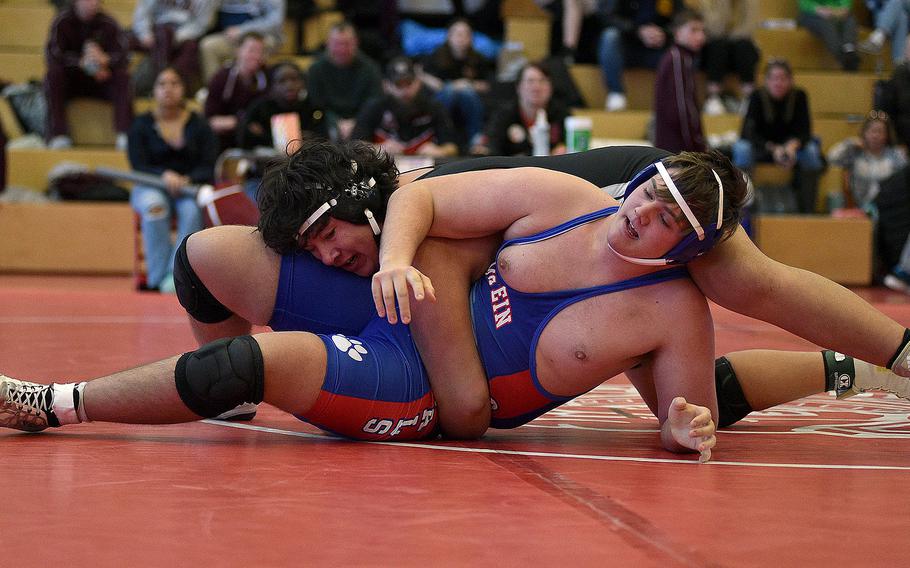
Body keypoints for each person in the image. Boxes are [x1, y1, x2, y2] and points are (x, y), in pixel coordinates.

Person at [2, 143, 750, 463]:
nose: (640, 216)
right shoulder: (567, 200)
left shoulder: (675, 312)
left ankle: (56, 402)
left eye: (664, 223)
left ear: (687, 247)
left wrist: (681, 429)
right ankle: (213, 403)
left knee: (250, 361)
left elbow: (684, 415)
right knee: (202, 252)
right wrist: (399, 259)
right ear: (639, 180)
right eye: (647, 196)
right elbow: (423, 211)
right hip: (396, 306)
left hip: (415, 377)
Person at [178, 142, 910, 429]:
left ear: (372, 207)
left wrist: (460, 393)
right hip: (590, 229)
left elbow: (427, 236)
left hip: (644, 199)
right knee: (692, 404)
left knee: (753, 284)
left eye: (337, 242)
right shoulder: (392, 201)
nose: (336, 257)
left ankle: (900, 352)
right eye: (316, 252)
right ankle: (854, 367)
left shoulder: (423, 196)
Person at [128, 67, 217, 293]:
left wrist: (187, 179)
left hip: (188, 188)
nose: (168, 89)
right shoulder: (141, 125)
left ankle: (174, 278)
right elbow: (138, 165)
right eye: (162, 84)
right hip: (150, 184)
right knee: (155, 208)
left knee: (191, 212)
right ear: (153, 91)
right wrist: (164, 176)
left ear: (183, 89)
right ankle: (156, 279)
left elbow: (209, 164)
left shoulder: (199, 125)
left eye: (174, 83)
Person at [732, 59, 826, 214]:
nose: (778, 83)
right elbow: (747, 133)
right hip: (764, 148)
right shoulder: (757, 96)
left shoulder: (799, 96)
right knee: (742, 149)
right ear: (766, 80)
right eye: (774, 78)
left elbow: (805, 132)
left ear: (790, 80)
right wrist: (772, 148)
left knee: (811, 152)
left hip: (791, 150)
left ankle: (807, 208)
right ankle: (744, 206)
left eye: (783, 78)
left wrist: (792, 146)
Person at [45, 0, 132, 150]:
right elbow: (54, 56)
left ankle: (124, 134)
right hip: (72, 81)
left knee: (123, 77)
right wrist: (82, 63)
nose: (91, 3)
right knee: (53, 76)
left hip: (101, 81)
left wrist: (106, 60)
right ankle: (58, 135)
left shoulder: (109, 23)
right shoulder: (62, 21)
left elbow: (123, 56)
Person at [352, 57, 458, 158]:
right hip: (383, 170)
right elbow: (354, 146)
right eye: (398, 84)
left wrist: (439, 151)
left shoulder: (435, 107)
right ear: (387, 85)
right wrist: (378, 148)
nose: (404, 90)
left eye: (409, 83)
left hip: (426, 171)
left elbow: (452, 147)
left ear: (418, 82)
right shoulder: (373, 108)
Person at [420, 18, 494, 152]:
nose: (462, 38)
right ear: (449, 36)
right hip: (443, 95)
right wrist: (452, 86)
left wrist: (468, 84)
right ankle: (441, 136)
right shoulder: (436, 55)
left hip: (469, 99)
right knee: (450, 91)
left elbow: (488, 85)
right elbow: (424, 76)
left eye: (466, 34)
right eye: (458, 34)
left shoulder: (478, 58)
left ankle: (476, 139)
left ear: (471, 38)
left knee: (467, 92)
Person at [596, 0, 682, 112]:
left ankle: (675, 100)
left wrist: (664, 33)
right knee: (610, 37)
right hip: (625, 47)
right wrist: (637, 31)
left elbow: (682, 18)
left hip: (658, 48)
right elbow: (605, 15)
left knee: (685, 42)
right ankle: (616, 93)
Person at [306, 22, 383, 141]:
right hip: (325, 124)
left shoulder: (371, 69)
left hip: (363, 124)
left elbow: (374, 101)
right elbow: (315, 103)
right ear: (328, 43)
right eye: (337, 44)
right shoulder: (315, 70)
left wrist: (356, 122)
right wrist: (335, 122)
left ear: (356, 42)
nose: (342, 49)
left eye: (346, 44)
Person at [474, 63, 568, 156]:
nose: (536, 87)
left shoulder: (562, 114)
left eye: (542, 81)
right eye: (530, 81)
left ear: (551, 87)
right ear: (518, 87)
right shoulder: (503, 115)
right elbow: (491, 147)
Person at [237, 61, 328, 151]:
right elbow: (245, 142)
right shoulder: (259, 109)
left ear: (303, 83)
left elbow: (322, 140)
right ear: (272, 85)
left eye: (294, 79)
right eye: (282, 81)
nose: (289, 86)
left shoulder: (313, 108)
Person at [827, 110, 907, 211]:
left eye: (880, 132)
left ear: (887, 135)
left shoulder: (895, 155)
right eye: (872, 131)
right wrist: (849, 143)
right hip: (860, 207)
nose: (875, 136)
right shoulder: (855, 153)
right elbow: (832, 158)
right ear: (864, 133)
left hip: (889, 208)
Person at [653, 10, 707, 153]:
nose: (701, 36)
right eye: (693, 30)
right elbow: (682, 110)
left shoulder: (682, 58)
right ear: (677, 32)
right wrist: (698, 147)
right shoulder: (677, 59)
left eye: (702, 31)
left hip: (676, 149)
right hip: (677, 150)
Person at [131, 0, 215, 92]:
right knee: (163, 35)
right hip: (155, 32)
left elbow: (201, 25)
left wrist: (176, 38)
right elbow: (143, 13)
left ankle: (171, 88)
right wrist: (145, 33)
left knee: (190, 48)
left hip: (187, 35)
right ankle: (163, 87)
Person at [203, 32, 269, 151]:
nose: (256, 56)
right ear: (238, 50)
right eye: (251, 50)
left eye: (261, 51)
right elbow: (211, 121)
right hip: (227, 143)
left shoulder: (267, 77)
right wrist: (242, 123)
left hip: (259, 143)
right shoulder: (221, 78)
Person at [697, 0, 760, 116]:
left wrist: (731, 39)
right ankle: (713, 97)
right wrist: (724, 4)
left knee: (744, 46)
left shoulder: (750, 2)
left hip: (738, 47)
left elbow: (748, 30)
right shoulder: (707, 2)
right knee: (718, 46)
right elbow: (714, 30)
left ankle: (749, 98)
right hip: (714, 48)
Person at [199, 0, 285, 83]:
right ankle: (215, 89)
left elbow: (275, 21)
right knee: (208, 45)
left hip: (263, 35)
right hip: (229, 36)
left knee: (255, 47)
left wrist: (242, 30)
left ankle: (257, 88)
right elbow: (206, 21)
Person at [797, 0, 860, 71]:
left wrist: (841, 10)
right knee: (827, 25)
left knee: (850, 20)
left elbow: (846, 5)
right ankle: (845, 58)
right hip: (812, 15)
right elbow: (804, 4)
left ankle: (849, 49)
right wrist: (818, 10)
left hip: (835, 13)